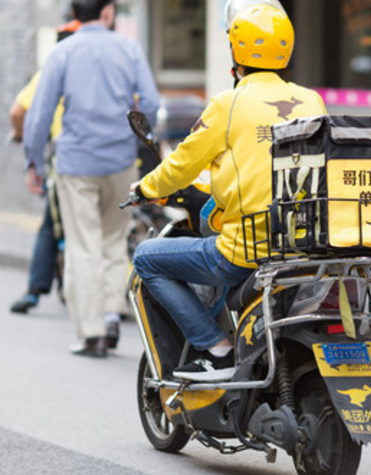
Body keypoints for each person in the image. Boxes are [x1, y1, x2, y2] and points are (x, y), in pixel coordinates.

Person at [131, 2, 327, 381]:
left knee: (145, 257)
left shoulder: (228, 104)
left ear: (236, 51)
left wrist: (144, 187)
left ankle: (216, 349)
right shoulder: (311, 100)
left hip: (245, 250)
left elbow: (181, 166)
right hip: (304, 242)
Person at [24, 0, 159, 358]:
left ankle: (92, 334)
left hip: (76, 165)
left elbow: (39, 115)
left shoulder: (63, 52)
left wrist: (33, 161)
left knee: (84, 246)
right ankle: (114, 314)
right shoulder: (129, 49)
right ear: (108, 12)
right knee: (115, 241)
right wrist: (140, 140)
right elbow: (150, 101)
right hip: (120, 162)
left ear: (74, 15)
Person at [9, 19, 81, 315]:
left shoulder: (50, 70)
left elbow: (19, 112)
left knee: (51, 226)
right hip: (112, 160)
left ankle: (35, 291)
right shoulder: (103, 67)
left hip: (65, 160)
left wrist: (22, 139)